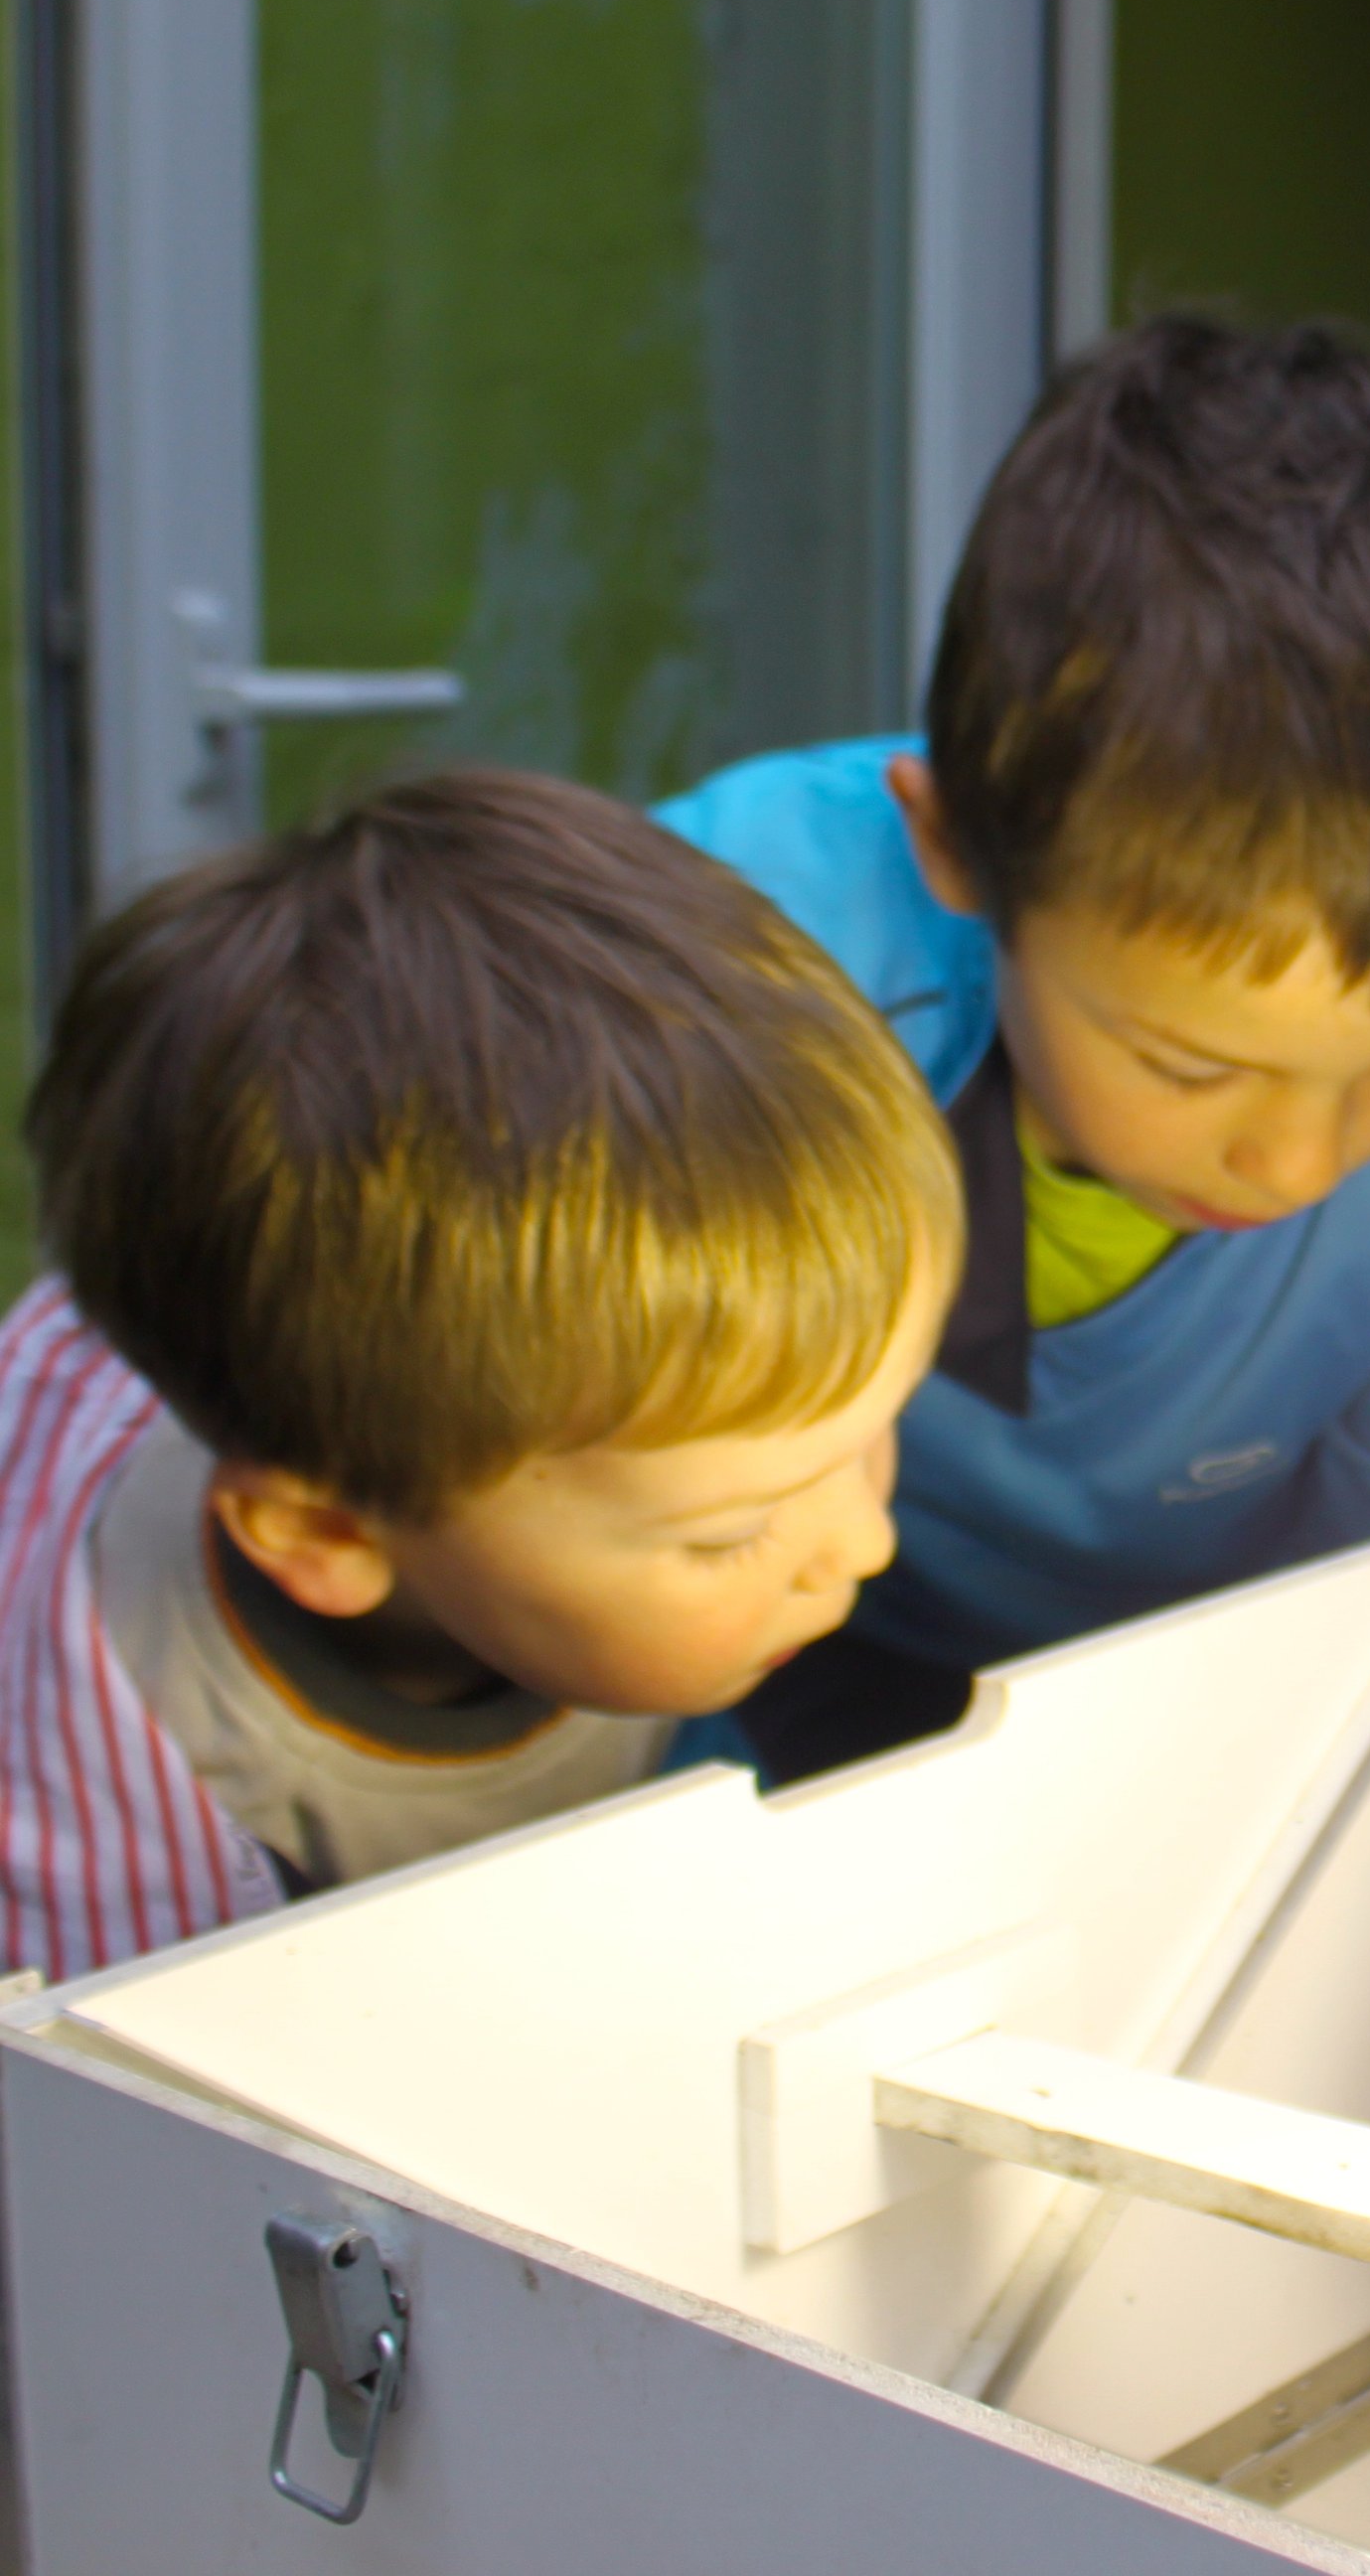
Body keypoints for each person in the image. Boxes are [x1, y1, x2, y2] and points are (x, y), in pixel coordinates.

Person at [667, 311, 1370, 1775]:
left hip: (1207, 1724)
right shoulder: (716, 974)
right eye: (1188, 1065)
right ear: (956, 853)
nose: (1296, 1161)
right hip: (721, 1665)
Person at [0, 772, 953, 1980]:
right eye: (732, 1534)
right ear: (326, 1534)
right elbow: (129, 2146)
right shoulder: (109, 1836)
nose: (861, 1547)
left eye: (872, 1432)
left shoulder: (558, 1468)